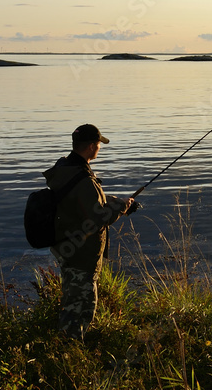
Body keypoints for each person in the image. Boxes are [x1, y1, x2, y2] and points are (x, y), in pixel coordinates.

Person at [44, 123, 136, 340]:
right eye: (98, 144)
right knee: (82, 309)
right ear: (92, 146)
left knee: (71, 303)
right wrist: (122, 208)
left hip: (68, 248)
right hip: (81, 255)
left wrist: (117, 202)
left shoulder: (67, 170)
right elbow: (96, 219)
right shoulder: (83, 178)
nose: (99, 148)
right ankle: (70, 357)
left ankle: (66, 349)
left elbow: (82, 203)